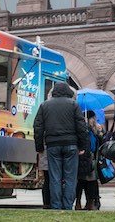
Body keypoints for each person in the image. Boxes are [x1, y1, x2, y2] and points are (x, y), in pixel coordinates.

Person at [34, 82, 89, 210]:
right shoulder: (74, 104)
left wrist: (39, 147)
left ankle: (56, 206)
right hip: (71, 144)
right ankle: (68, 205)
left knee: (55, 177)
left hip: (52, 145)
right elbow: (81, 127)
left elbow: (38, 127)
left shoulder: (45, 105)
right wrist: (82, 146)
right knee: (70, 177)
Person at [75, 110, 104, 210]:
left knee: (89, 182)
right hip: (84, 157)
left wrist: (100, 133)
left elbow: (100, 144)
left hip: (91, 158)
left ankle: (89, 202)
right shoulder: (83, 128)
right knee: (83, 181)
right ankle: (80, 202)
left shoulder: (96, 130)